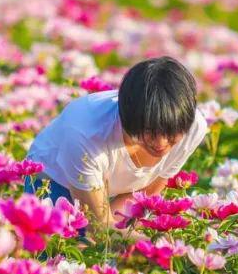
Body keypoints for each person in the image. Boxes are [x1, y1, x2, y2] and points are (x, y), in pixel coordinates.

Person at [24, 56, 208, 239]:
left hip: (116, 185)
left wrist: (121, 232)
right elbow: (97, 226)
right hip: (55, 179)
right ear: (128, 117)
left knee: (110, 251)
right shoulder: (85, 134)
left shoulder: (192, 126)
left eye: (170, 133)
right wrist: (158, 245)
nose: (161, 144)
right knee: (58, 251)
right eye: (149, 131)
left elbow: (149, 190)